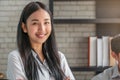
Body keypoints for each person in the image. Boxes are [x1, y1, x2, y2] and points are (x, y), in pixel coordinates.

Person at [7, 1, 75, 80]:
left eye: (46, 22)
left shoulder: (59, 57)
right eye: (35, 23)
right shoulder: (15, 57)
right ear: (24, 27)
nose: (42, 29)